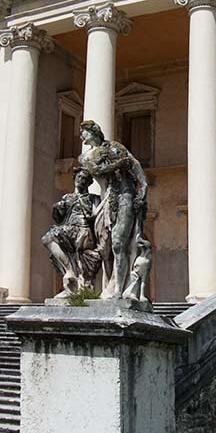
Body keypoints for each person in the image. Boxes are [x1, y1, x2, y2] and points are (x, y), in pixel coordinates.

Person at [78, 120, 149, 300]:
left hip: (125, 194)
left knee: (118, 243)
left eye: (84, 131)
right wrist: (117, 164)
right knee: (104, 248)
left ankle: (119, 289)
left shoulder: (115, 147)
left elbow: (134, 164)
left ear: (93, 132)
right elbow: (96, 171)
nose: (81, 136)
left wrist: (144, 186)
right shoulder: (85, 158)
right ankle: (108, 285)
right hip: (106, 200)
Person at [41, 169, 100, 297]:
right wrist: (58, 209)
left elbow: (96, 216)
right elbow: (58, 219)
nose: (80, 180)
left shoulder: (93, 198)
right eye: (78, 177)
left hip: (83, 231)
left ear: (89, 182)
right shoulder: (67, 197)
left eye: (84, 178)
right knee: (47, 239)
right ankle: (69, 271)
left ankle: (78, 285)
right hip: (69, 229)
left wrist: (86, 206)